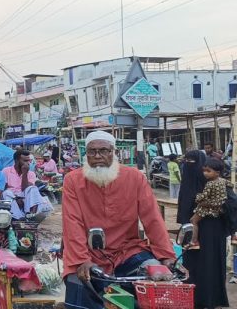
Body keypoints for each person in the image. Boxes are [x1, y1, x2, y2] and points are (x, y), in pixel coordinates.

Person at [62, 131, 175, 309]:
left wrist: (167, 256)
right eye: (92, 151)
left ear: (113, 152)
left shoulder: (135, 177)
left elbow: (152, 218)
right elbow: (72, 222)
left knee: (160, 279)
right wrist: (81, 260)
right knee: (77, 286)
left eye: (103, 151)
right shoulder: (72, 180)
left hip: (128, 251)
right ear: (86, 154)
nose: (97, 156)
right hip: (87, 253)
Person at [182, 158, 230, 308]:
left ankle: (194, 240)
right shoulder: (223, 182)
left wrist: (197, 198)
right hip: (212, 225)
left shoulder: (210, 184)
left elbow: (225, 204)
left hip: (212, 230)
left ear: (216, 171)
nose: (204, 173)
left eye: (207, 171)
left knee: (194, 221)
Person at [2, 150, 52, 222]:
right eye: (25, 161)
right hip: (12, 197)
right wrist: (16, 199)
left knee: (33, 188)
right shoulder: (6, 171)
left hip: (25, 197)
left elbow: (25, 188)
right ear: (16, 161)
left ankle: (31, 215)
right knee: (6, 193)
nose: (28, 163)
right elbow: (3, 189)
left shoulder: (31, 173)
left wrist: (24, 173)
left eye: (28, 161)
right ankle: (19, 218)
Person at [176, 151, 208, 226]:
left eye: (190, 160)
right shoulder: (187, 171)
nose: (188, 162)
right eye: (186, 160)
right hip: (186, 201)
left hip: (201, 205)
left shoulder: (207, 175)